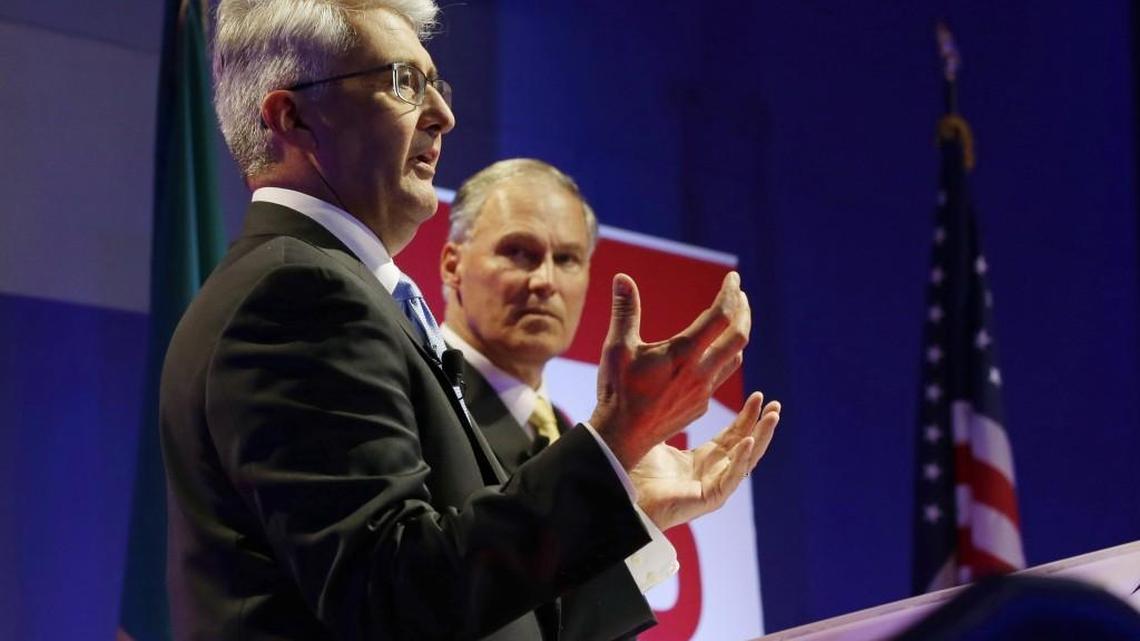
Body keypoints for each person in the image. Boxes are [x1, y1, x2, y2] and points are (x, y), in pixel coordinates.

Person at [160, 2, 781, 640]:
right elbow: (390, 597)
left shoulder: (325, 287)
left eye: (438, 85)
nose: (443, 115)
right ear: (292, 117)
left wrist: (629, 497)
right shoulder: (298, 293)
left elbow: (469, 607)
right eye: (404, 83)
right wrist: (611, 445)